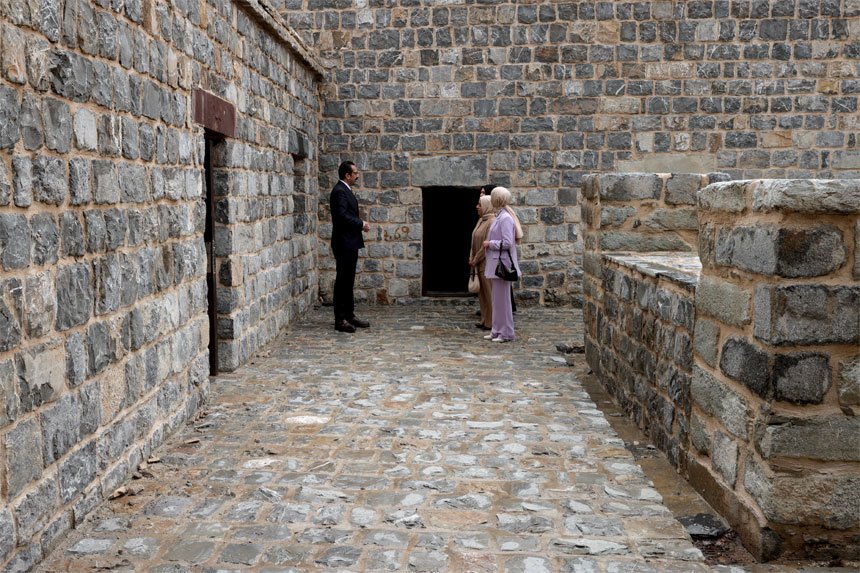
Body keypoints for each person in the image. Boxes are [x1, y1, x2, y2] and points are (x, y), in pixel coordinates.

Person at [330, 160, 371, 333]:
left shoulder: (345, 190)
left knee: (348, 281)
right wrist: (361, 223)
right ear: (347, 175)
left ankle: (349, 314)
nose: (357, 176)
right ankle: (340, 319)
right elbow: (341, 216)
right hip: (343, 242)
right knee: (342, 281)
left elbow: (347, 213)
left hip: (350, 242)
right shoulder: (340, 191)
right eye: (355, 173)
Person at [482, 187, 521, 342]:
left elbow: (507, 242)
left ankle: (506, 333)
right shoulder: (500, 216)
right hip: (496, 262)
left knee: (503, 301)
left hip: (502, 264)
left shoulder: (505, 218)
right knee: (497, 300)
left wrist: (490, 243)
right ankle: (496, 330)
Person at [469, 194, 495, 330]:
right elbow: (473, 239)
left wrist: (476, 258)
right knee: (482, 294)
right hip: (478, 262)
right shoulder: (481, 220)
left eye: (480, 204)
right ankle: (484, 320)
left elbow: (486, 245)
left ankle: (491, 322)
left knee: (489, 293)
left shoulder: (492, 222)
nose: (477, 207)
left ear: (486, 206)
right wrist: (471, 257)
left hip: (486, 263)